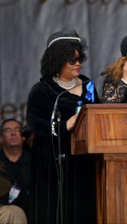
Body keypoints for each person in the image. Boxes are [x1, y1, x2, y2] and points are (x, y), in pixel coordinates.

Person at [26, 29, 99, 224]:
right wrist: (63, 125)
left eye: (79, 59)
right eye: (72, 61)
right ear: (57, 61)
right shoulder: (43, 89)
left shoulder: (88, 85)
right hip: (53, 162)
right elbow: (34, 124)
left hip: (83, 161)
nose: (78, 64)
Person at [0, 119, 31, 215]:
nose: (13, 134)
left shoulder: (34, 160)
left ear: (24, 137)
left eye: (17, 130)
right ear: (1, 138)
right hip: (0, 212)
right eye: (8, 130)